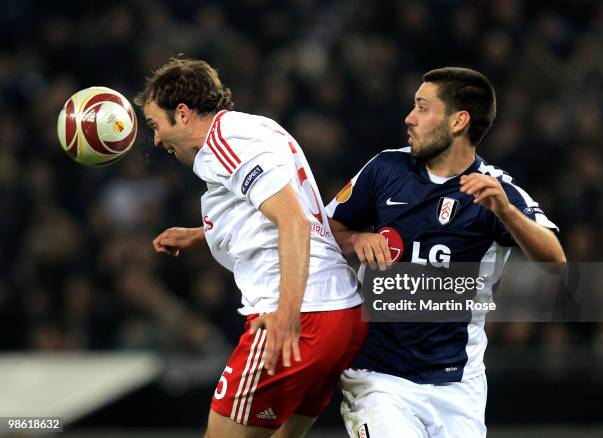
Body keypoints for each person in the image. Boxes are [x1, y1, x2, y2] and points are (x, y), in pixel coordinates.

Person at [325, 67, 566, 437]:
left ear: (458, 121)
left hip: (458, 384)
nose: (409, 117)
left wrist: (505, 212)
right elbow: (328, 231)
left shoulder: (495, 192)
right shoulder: (385, 168)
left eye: (422, 107)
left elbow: (555, 262)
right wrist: (356, 240)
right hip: (378, 378)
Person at [135, 58, 367, 438]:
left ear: (182, 113)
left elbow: (293, 220)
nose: (157, 139)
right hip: (338, 314)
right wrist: (200, 234)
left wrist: (287, 316)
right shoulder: (252, 127)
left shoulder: (224, 143)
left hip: (299, 315)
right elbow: (267, 211)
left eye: (155, 125)